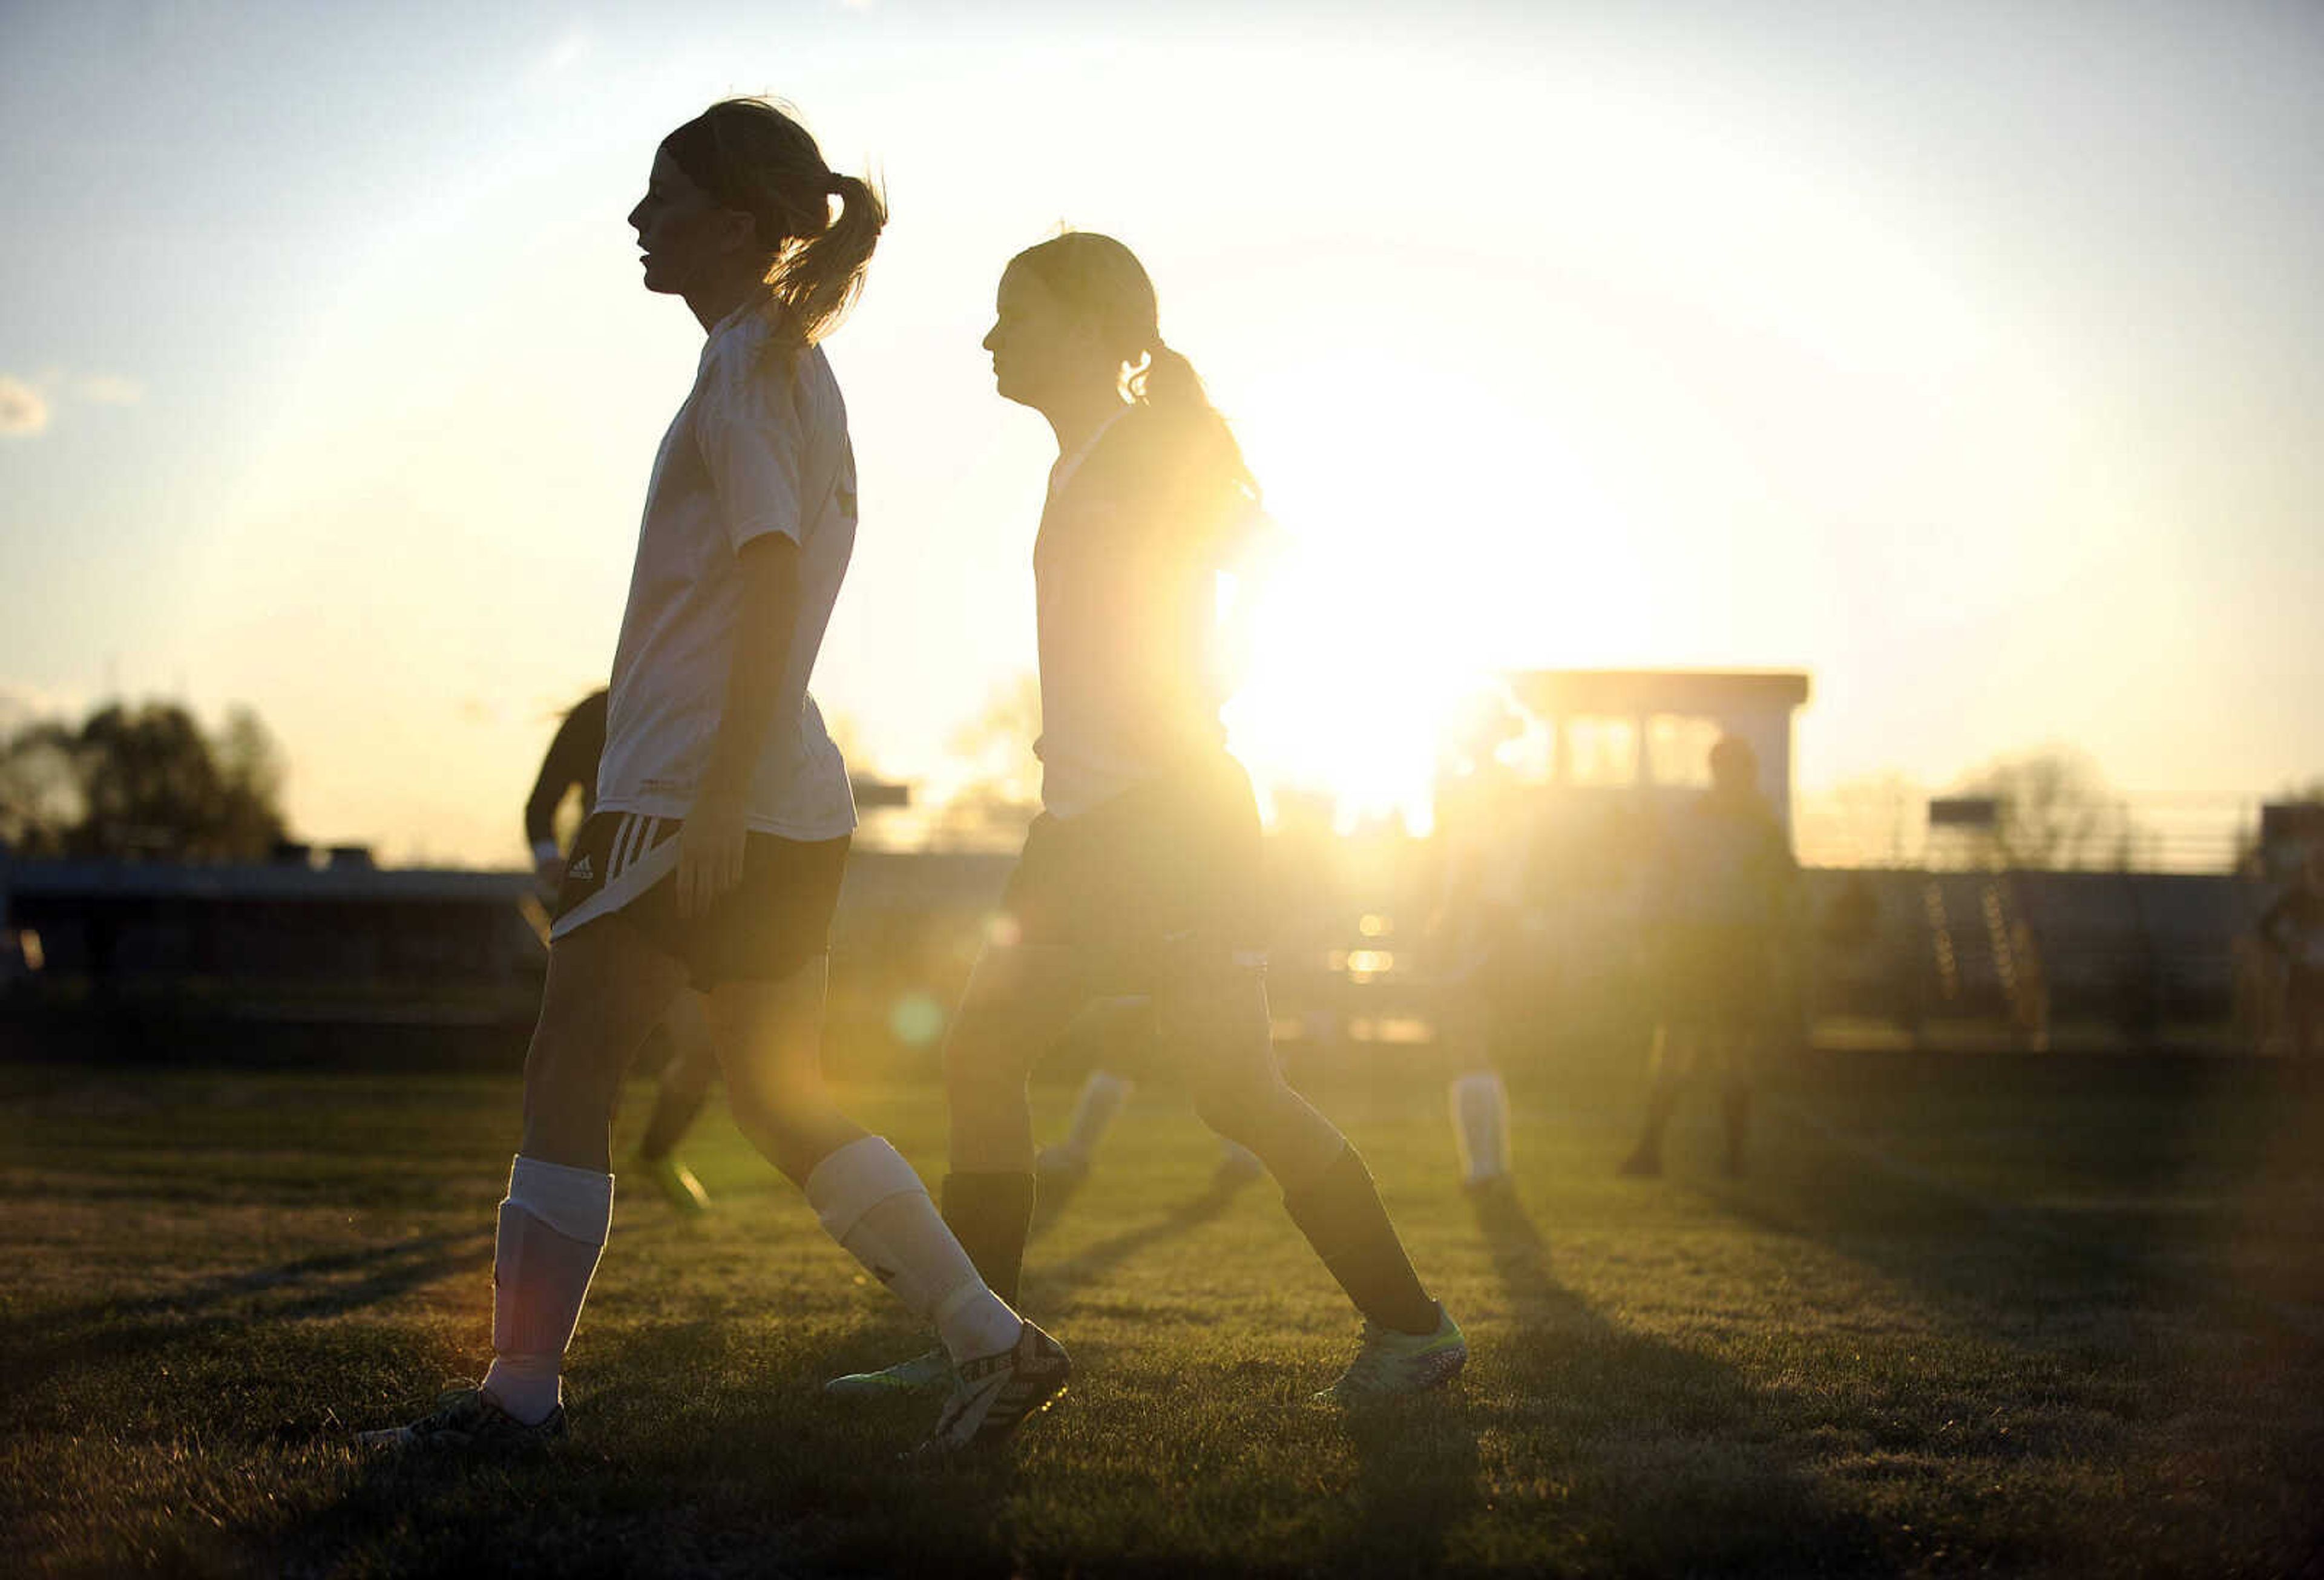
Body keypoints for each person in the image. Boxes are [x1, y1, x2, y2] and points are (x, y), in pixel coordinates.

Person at [363, 99, 1066, 1455]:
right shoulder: (796, 367)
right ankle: (990, 1338)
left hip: (697, 784)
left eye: (662, 197)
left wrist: (715, 797)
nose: (638, 220)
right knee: (778, 1094)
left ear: (737, 227)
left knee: (571, 1065)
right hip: (789, 791)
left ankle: (516, 1402)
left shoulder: (748, 365)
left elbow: (770, 570)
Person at [828, 232, 1463, 1405]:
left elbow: (1281, 563)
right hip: (1083, 829)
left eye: (1012, 314)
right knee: (986, 1052)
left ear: (1084, 329)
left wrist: (1206, 686)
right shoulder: (1078, 465)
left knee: (1233, 1089)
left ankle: (1413, 1329)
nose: (989, 338)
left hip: (1174, 830)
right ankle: (983, 1342)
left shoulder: (1138, 456)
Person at [526, 688, 720, 1212]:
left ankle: (657, 1153)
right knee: (600, 1048)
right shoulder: (599, 711)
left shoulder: (714, 705)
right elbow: (541, 804)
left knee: (703, 1045)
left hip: (690, 902)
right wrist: (548, 860)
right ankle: (580, 1179)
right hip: (607, 895)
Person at [1620, 735, 1796, 1178]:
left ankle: (1667, 1150)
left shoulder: (1744, 825)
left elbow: (1779, 890)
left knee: (1706, 1047)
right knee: (1700, 1046)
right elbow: (1782, 891)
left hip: (1719, 943)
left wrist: (1649, 932)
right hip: (1710, 943)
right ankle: (1692, 1152)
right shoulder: (1752, 824)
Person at [2257, 847, 2324, 1060]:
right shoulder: (2297, 897)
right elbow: (2265, 925)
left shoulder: (2297, 897)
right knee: (2303, 1030)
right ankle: (2301, 1079)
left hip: (2308, 970)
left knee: (2306, 1030)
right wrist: (2286, 947)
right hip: (2303, 970)